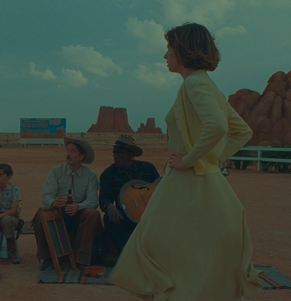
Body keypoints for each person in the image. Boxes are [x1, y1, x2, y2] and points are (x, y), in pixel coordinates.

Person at [110, 23, 263, 300]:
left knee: (159, 246)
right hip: (206, 184)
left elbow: (216, 126)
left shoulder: (194, 84)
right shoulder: (205, 84)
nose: (165, 55)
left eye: (169, 48)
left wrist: (191, 160)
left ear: (183, 50)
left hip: (187, 184)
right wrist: (212, 159)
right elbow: (242, 131)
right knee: (191, 253)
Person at [33, 137, 101, 271]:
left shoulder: (90, 176)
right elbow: (46, 195)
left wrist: (78, 206)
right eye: (67, 150)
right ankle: (47, 257)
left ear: (81, 156)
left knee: (93, 214)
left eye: (72, 151)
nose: (68, 154)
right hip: (58, 211)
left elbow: (93, 201)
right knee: (40, 214)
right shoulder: (56, 171)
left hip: (78, 213)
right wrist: (53, 201)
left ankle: (81, 259)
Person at [99, 134, 159, 255]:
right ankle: (126, 255)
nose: (115, 157)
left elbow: (160, 189)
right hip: (126, 216)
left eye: (119, 153)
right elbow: (105, 197)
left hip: (150, 215)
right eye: (114, 153)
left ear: (131, 154)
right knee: (109, 219)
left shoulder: (147, 168)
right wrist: (110, 207)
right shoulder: (108, 174)